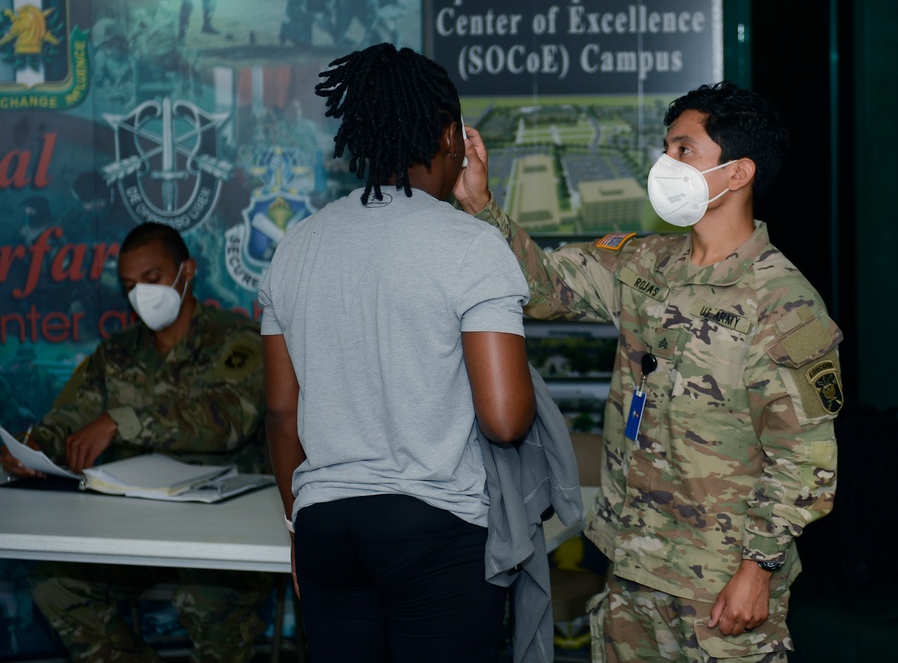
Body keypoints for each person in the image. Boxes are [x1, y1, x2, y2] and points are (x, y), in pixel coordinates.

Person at [454, 82, 844, 663]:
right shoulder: (645, 261)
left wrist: (757, 570)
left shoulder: (786, 304)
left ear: (738, 174)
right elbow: (540, 287)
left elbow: (805, 457)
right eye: (666, 148)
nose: (666, 163)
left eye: (684, 150)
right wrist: (480, 205)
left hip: (718, 583)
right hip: (630, 564)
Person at [258, 42, 536, 662]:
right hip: (437, 530)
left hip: (328, 527)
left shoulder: (297, 246)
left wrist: (297, 527)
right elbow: (505, 416)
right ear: (448, 138)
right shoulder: (470, 247)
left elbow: (280, 414)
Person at [1, 222, 272, 663]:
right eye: (130, 286)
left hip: (224, 533)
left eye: (152, 279)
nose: (141, 294)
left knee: (204, 601)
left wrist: (119, 422)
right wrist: (34, 449)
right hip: (134, 531)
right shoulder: (117, 353)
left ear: (187, 270)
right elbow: (69, 417)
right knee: (55, 584)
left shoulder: (236, 340)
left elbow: (227, 421)